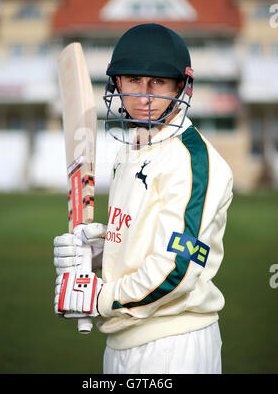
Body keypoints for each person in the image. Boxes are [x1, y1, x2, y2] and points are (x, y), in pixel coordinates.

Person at [54, 23, 233, 374]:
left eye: (158, 83)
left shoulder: (193, 161)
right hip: (122, 338)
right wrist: (101, 250)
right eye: (134, 81)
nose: (145, 97)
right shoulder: (130, 150)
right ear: (116, 84)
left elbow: (177, 268)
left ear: (181, 87)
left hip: (173, 345)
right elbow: (147, 237)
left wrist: (100, 297)